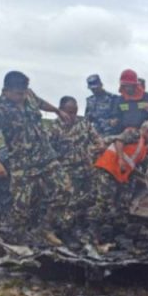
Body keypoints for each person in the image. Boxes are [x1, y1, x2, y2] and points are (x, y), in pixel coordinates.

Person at [0, 71, 71, 245]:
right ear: (6, 90)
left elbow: (40, 103)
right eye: (18, 94)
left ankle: (45, 229)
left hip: (46, 156)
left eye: (24, 92)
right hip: (22, 163)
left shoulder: (28, 95)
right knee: (22, 205)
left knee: (64, 190)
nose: (22, 97)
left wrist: (57, 111)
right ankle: (15, 238)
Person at [90, 117, 148, 245]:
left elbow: (133, 166)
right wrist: (121, 159)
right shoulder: (135, 134)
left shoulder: (143, 149)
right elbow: (119, 140)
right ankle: (92, 231)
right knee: (104, 201)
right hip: (109, 168)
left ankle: (116, 233)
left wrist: (145, 180)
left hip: (120, 175)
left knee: (122, 204)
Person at [47, 96, 105, 238]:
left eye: (75, 111)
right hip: (67, 171)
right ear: (61, 111)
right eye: (69, 112)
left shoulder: (84, 124)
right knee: (68, 201)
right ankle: (65, 231)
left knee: (89, 198)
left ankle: (85, 228)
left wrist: (95, 149)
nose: (72, 115)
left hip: (87, 169)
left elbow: (99, 141)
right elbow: (48, 151)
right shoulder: (54, 128)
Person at [113, 69, 148, 134]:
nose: (127, 88)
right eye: (125, 85)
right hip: (125, 133)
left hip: (145, 133)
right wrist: (114, 121)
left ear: (134, 85)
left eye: (129, 85)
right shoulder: (120, 100)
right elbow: (115, 116)